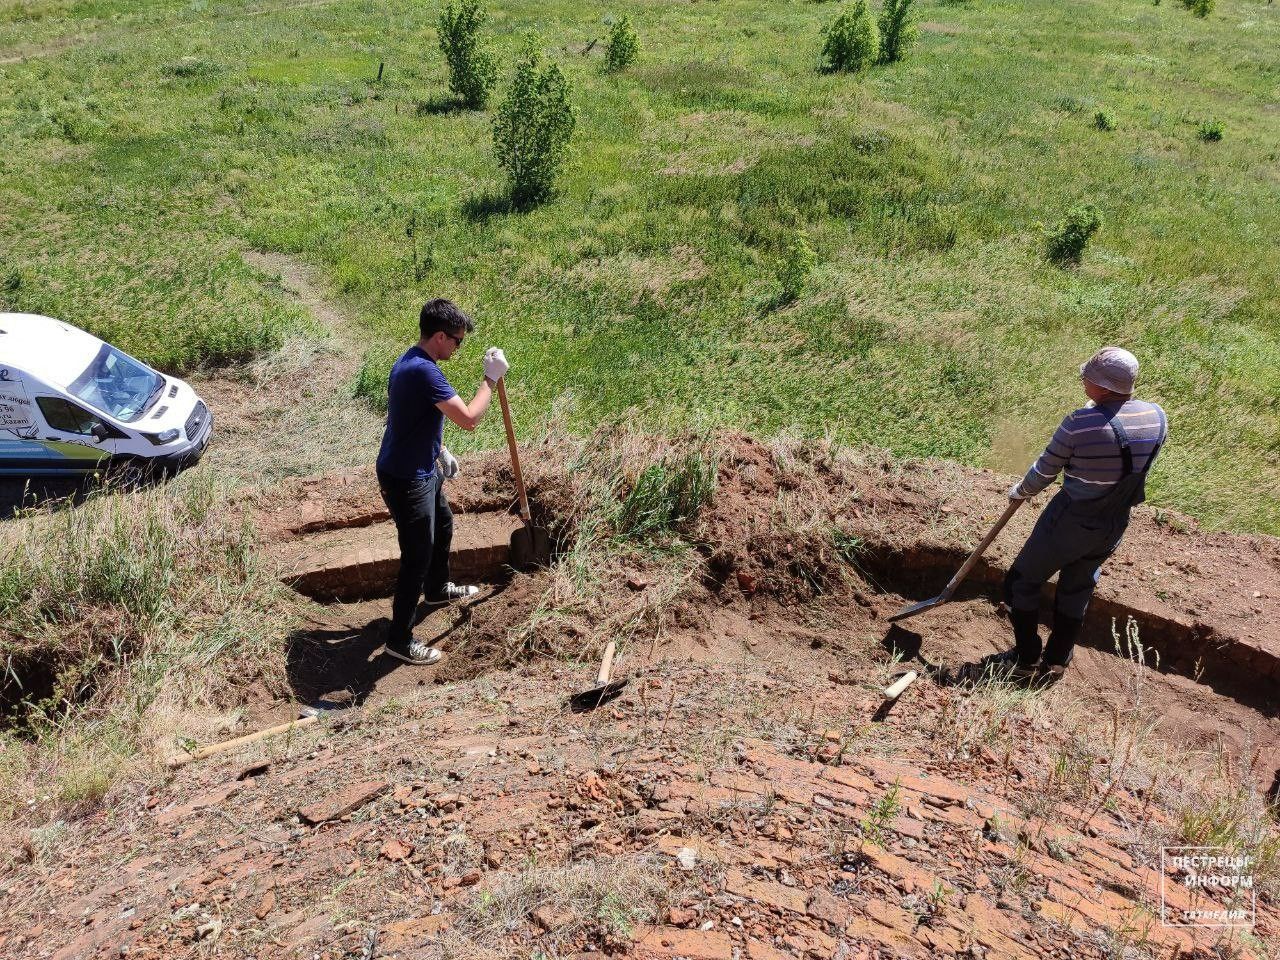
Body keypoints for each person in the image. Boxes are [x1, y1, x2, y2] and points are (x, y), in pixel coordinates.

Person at [994, 347, 1168, 682]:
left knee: (1020, 582)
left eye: (1087, 376)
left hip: (1071, 520)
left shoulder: (1079, 423)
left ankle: (1026, 659)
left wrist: (1020, 491)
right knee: (1076, 589)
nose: (1082, 378)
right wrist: (1102, 413)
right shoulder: (1156, 416)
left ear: (1102, 387)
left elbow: (1045, 472)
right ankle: (1057, 661)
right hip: (1114, 523)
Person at [375, 299, 508, 665]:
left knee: (443, 525)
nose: (458, 347)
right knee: (416, 557)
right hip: (406, 477)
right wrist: (490, 379)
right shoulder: (424, 372)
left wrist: (439, 449)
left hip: (420, 466)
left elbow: (411, 418)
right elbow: (469, 418)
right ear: (438, 337)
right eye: (456, 341)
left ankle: (435, 589)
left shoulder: (408, 362)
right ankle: (398, 640)